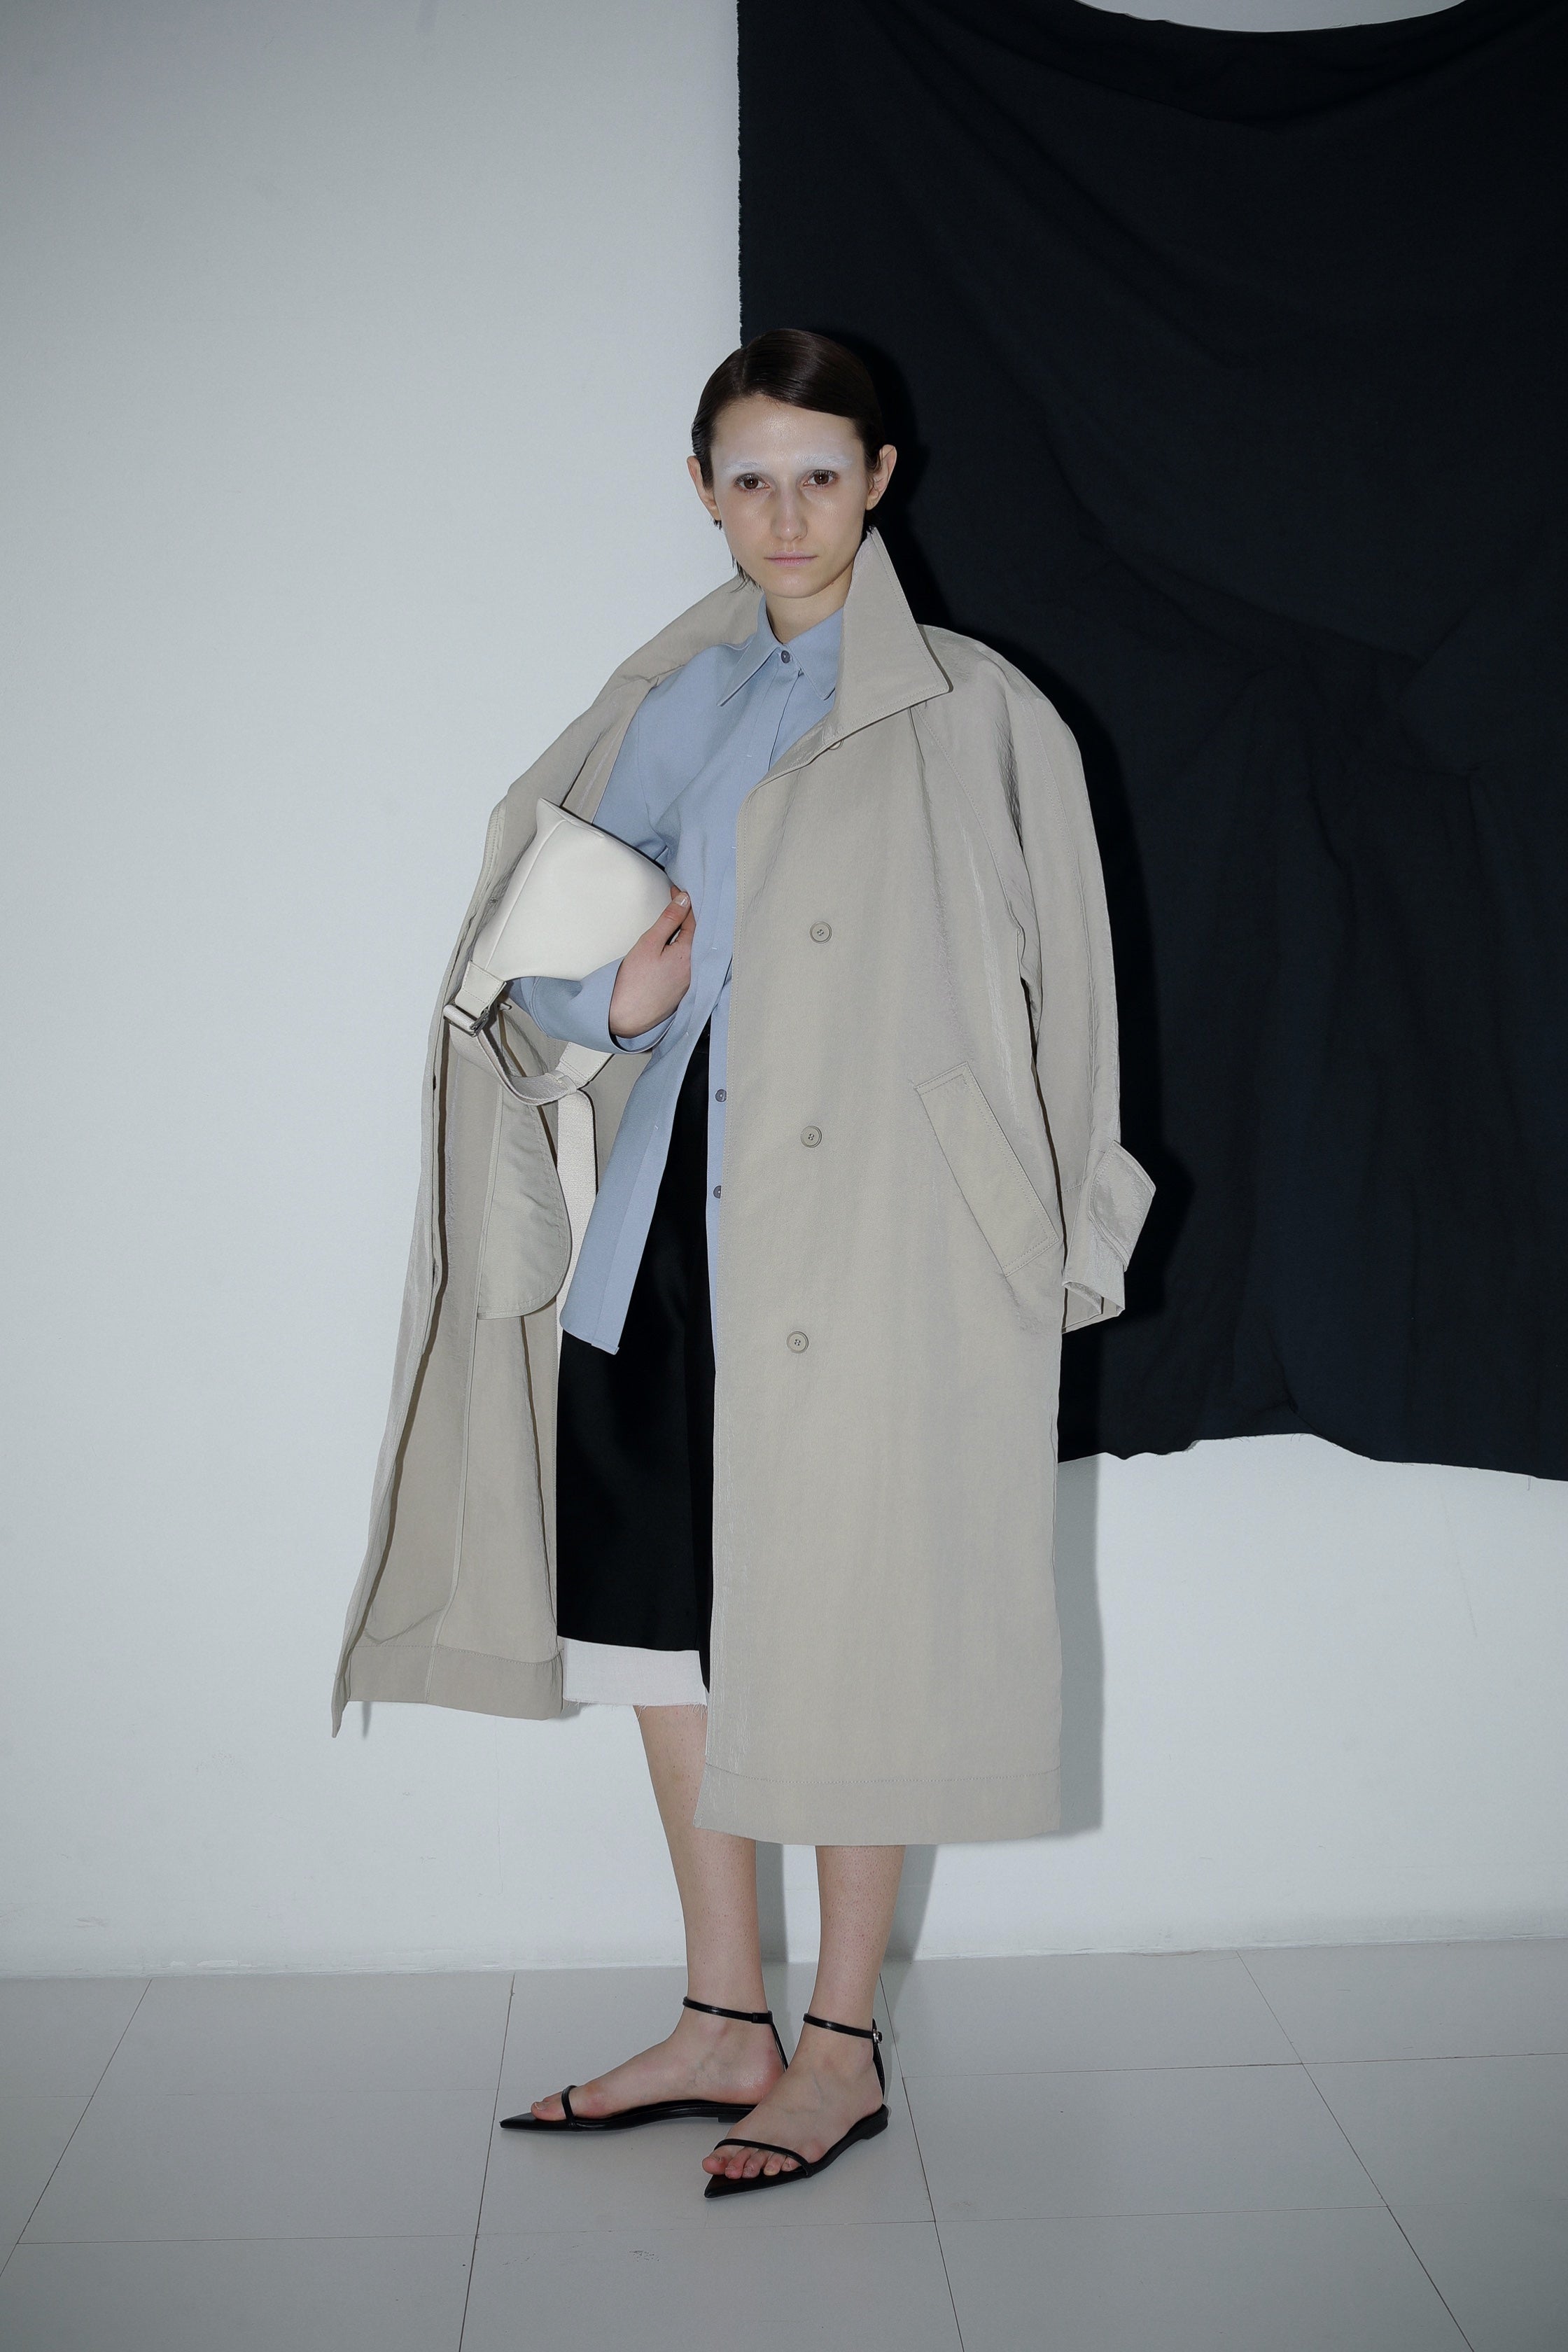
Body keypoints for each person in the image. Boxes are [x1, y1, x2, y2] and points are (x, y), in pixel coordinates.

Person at [330, 329, 1154, 2201]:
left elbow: (1080, 1000)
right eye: (751, 478)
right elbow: (546, 948)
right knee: (659, 1626)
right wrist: (602, 1003)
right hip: (668, 1217)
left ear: (882, 480)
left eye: (820, 474)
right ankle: (722, 2017)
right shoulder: (672, 707)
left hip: (885, 1243)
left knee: (857, 1620)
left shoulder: (981, 712)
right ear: (702, 490)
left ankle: (838, 2045)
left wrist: (1058, 1241)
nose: (786, 514)